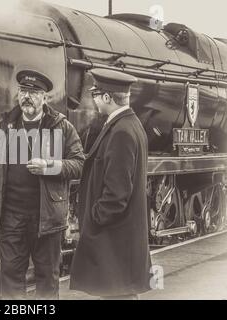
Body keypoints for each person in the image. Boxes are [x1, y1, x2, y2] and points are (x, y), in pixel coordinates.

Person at [0, 70, 84, 299]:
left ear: (45, 98)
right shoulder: (6, 125)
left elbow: (78, 164)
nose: (27, 97)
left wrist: (50, 167)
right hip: (11, 216)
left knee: (47, 278)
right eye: (23, 91)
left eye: (34, 93)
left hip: (46, 217)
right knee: (10, 275)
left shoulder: (61, 127)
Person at [70, 69, 153, 300]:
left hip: (114, 239)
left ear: (107, 97)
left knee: (118, 296)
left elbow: (117, 194)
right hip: (120, 239)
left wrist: (94, 217)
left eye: (96, 94)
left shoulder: (121, 132)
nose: (94, 100)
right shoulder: (130, 125)